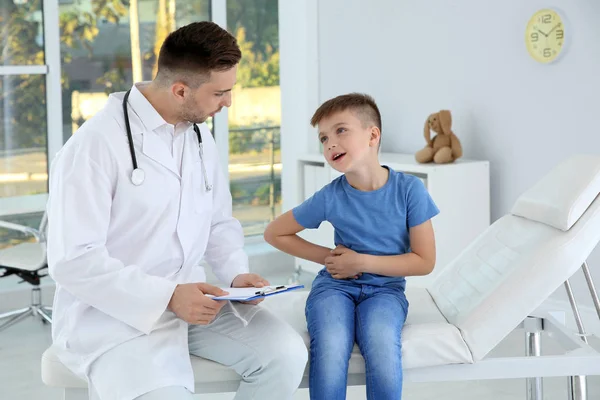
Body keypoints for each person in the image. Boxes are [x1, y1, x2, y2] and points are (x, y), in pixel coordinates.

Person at [46, 21, 307, 400]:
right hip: (114, 317)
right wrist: (168, 296)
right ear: (180, 89)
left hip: (200, 304)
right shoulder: (94, 146)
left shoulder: (199, 136)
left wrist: (236, 275)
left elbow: (218, 222)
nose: (229, 102)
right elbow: (73, 260)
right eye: (220, 92)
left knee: (285, 355)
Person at [264, 93, 439, 399]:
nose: (330, 143)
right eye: (323, 137)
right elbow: (275, 233)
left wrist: (361, 263)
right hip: (334, 288)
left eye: (340, 130)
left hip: (386, 291)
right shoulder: (330, 196)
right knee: (331, 344)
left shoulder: (410, 190)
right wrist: (331, 259)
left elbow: (424, 261)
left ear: (373, 135)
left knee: (383, 344)